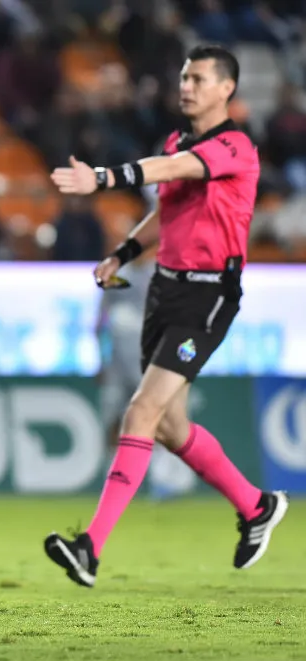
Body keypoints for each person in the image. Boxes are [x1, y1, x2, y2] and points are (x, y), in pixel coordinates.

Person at [44, 44, 287, 588]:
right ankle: (256, 506)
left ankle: (90, 548)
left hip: (207, 297)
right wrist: (125, 253)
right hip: (164, 291)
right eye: (183, 76)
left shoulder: (235, 146)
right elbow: (167, 209)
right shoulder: (178, 138)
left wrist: (102, 180)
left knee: (141, 411)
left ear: (227, 88)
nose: (187, 86)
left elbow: (178, 169)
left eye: (199, 78)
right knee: (172, 425)